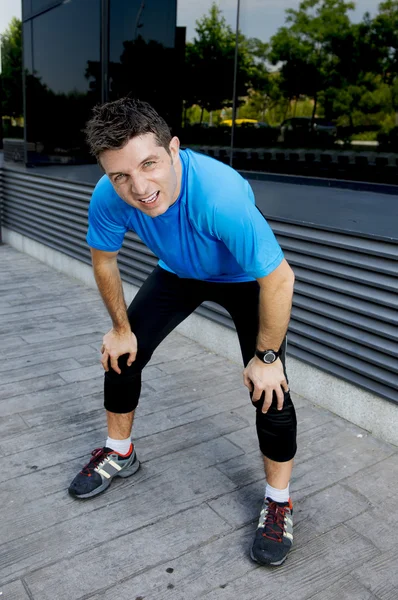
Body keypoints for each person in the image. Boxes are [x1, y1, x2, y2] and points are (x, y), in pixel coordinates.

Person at [68, 98, 297, 567]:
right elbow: (104, 259)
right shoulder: (109, 196)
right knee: (122, 354)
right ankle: (120, 452)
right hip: (176, 272)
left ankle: (278, 501)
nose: (140, 188)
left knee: (270, 391)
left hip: (241, 280)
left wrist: (267, 359)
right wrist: (119, 328)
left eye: (148, 164)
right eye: (121, 176)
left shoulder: (219, 195)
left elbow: (279, 278)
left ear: (174, 149)